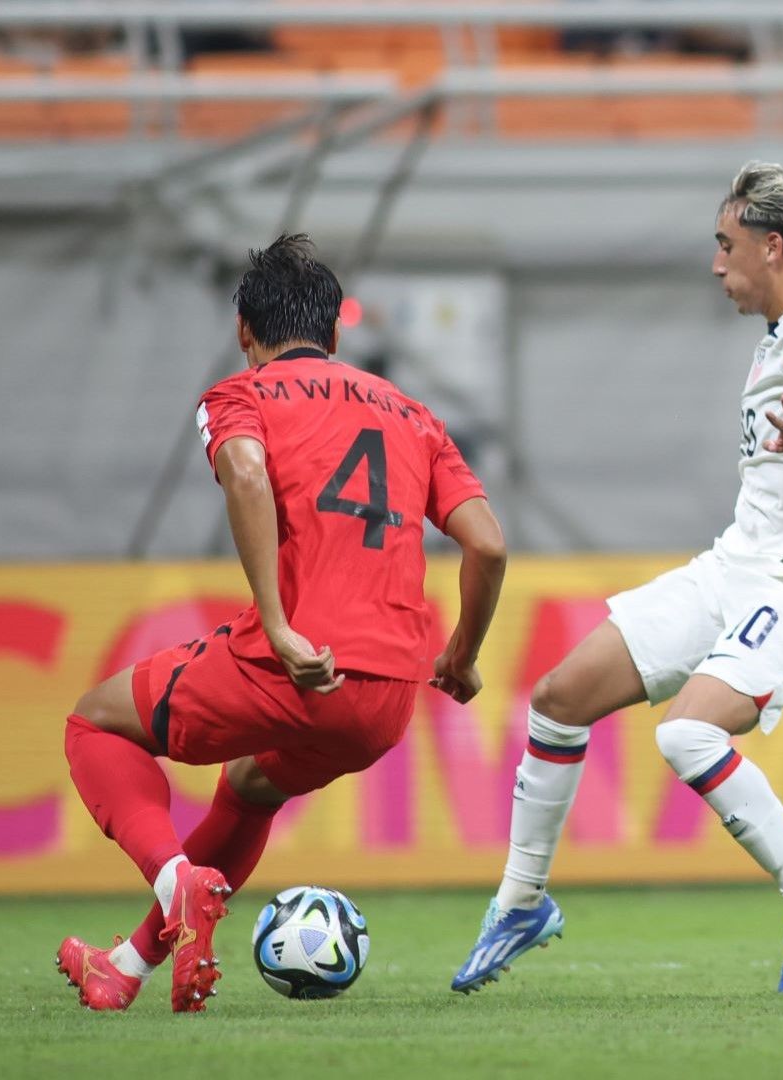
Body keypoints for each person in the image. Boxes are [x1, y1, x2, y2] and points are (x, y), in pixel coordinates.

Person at [452, 162, 783, 995]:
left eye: (725, 244)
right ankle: (521, 902)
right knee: (559, 698)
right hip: (736, 565)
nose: (715, 264)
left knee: (688, 734)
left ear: (772, 247)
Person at [54, 235, 506, 1013]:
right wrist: (461, 657)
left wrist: (278, 624)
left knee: (94, 725)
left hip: (293, 662)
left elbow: (246, 470)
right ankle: (125, 966)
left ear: (245, 333)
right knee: (252, 787)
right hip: (389, 696)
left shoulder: (240, 396)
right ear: (334, 334)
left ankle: (174, 880)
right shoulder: (415, 415)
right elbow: (489, 544)